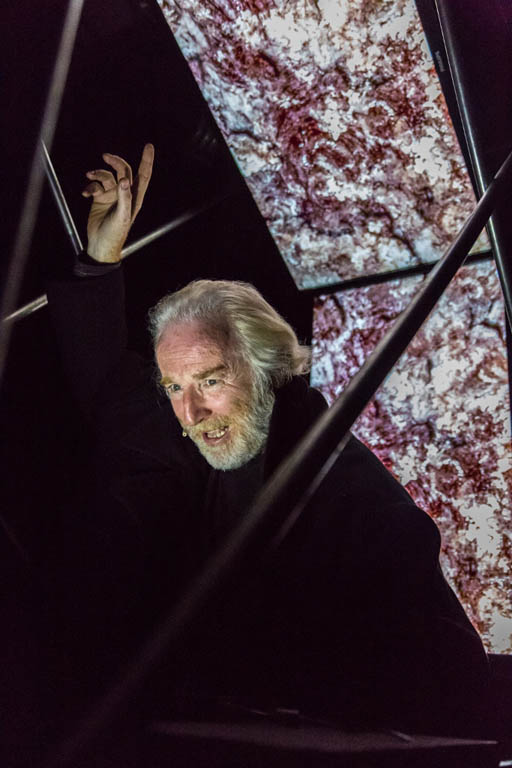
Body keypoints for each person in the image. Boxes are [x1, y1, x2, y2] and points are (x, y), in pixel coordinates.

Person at [47, 145, 490, 736]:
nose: (192, 410)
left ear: (267, 370)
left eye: (211, 380)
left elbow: (450, 682)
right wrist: (100, 261)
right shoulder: (185, 425)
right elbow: (111, 387)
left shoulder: (352, 497)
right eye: (175, 386)